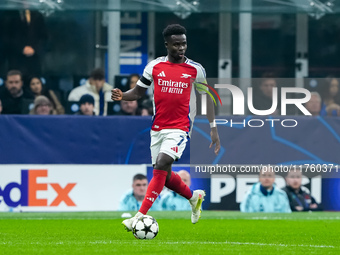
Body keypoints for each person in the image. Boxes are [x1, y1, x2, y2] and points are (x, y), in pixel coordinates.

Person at [112, 24, 220, 231]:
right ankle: (194, 197)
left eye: (184, 44)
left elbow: (206, 99)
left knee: (161, 164)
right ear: (167, 44)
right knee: (165, 175)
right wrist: (122, 95)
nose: (181, 48)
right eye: (176, 44)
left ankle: (139, 216)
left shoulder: (196, 70)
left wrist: (213, 128)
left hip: (180, 127)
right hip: (158, 127)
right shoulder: (154, 67)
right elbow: (138, 92)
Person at [4, 10, 47, 79]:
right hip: (15, 58)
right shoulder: (9, 13)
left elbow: (43, 37)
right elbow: (6, 36)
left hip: (34, 59)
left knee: (34, 80)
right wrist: (21, 48)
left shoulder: (37, 15)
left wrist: (35, 49)